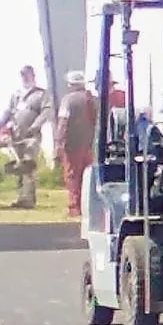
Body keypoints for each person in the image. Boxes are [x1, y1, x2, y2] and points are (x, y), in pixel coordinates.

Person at [0, 65, 52, 209]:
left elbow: (46, 112)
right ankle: (21, 197)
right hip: (16, 135)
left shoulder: (41, 94)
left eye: (27, 75)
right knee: (19, 166)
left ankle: (29, 199)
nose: (25, 78)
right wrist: (0, 123)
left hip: (31, 136)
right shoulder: (17, 95)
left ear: (33, 76)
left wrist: (35, 127)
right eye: (22, 75)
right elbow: (8, 111)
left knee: (28, 165)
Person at [55, 69, 99, 219]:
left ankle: (74, 208)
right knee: (87, 177)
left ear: (71, 84)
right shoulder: (92, 99)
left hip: (72, 144)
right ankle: (89, 208)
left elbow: (63, 122)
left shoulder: (68, 100)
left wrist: (58, 142)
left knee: (72, 176)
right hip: (90, 144)